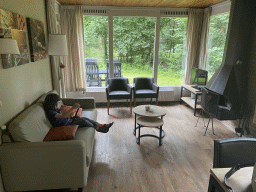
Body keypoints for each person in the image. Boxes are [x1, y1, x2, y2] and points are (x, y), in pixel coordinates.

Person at [43, 93, 113, 133]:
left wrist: (70, 114)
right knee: (84, 121)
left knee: (85, 118)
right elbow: (62, 116)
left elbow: (64, 115)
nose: (59, 104)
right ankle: (98, 128)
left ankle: (101, 125)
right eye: (57, 103)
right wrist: (72, 108)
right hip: (64, 124)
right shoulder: (51, 112)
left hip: (67, 120)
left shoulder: (55, 109)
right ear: (52, 103)